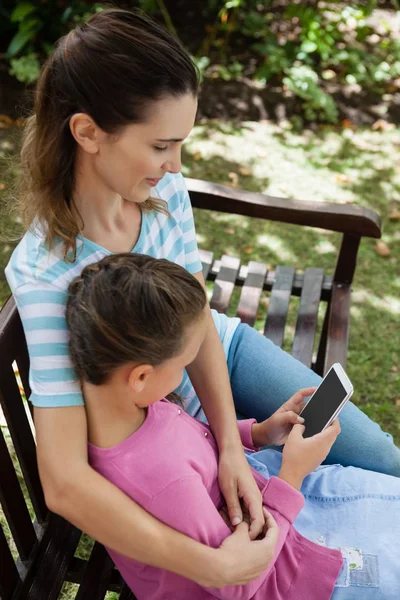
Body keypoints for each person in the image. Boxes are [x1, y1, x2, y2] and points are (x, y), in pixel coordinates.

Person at [5, 6, 400, 588]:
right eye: (163, 144)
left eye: (182, 143)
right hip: (155, 413)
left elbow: (200, 324)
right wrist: (215, 564)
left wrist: (233, 447)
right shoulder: (45, 277)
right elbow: (64, 482)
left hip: (209, 352)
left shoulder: (163, 194)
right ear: (87, 132)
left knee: (382, 459)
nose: (176, 166)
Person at [66, 252, 400, 600]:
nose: (187, 374)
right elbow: (240, 581)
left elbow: (194, 448)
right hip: (288, 573)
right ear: (140, 376)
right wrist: (293, 475)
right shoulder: (163, 479)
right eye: (184, 363)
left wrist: (259, 434)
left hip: (271, 496)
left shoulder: (128, 410)